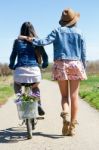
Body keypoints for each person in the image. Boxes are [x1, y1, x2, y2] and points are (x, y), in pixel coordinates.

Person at [19, 8, 87, 136]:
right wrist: (84, 67)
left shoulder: (57, 31)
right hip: (76, 64)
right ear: (74, 20)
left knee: (64, 96)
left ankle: (65, 113)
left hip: (61, 64)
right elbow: (83, 53)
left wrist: (27, 38)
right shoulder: (80, 32)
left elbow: (42, 41)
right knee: (74, 97)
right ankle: (72, 126)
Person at [9, 21, 49, 116]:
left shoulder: (17, 41)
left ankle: (19, 100)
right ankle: (38, 103)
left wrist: (11, 65)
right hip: (34, 72)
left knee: (17, 85)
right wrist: (44, 64)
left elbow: (13, 56)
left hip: (20, 71)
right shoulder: (37, 41)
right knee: (35, 88)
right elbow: (45, 56)